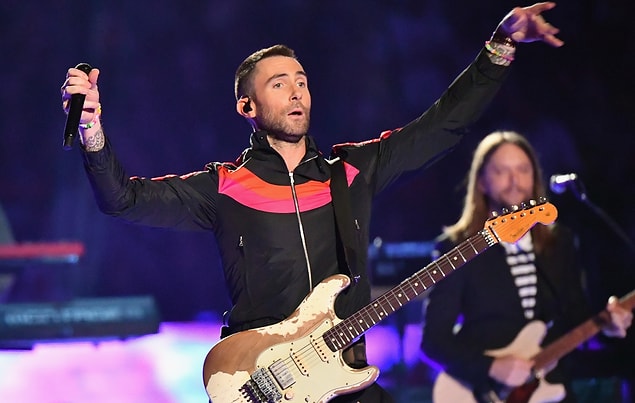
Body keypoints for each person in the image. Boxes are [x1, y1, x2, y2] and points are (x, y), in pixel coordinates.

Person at [61, 4, 564, 402]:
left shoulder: (350, 171)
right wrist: (91, 129)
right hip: (260, 381)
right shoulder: (225, 186)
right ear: (247, 106)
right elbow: (122, 199)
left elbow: (441, 126)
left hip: (344, 377)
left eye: (301, 81)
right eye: (279, 84)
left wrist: (499, 47)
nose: (296, 91)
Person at [420, 131, 633, 402]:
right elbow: (433, 341)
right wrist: (491, 367)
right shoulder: (458, 248)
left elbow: (575, 321)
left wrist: (606, 329)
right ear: (481, 181)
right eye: (501, 171)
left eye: (523, 170)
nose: (514, 181)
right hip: (485, 392)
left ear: (535, 178)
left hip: (551, 390)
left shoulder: (560, 243)